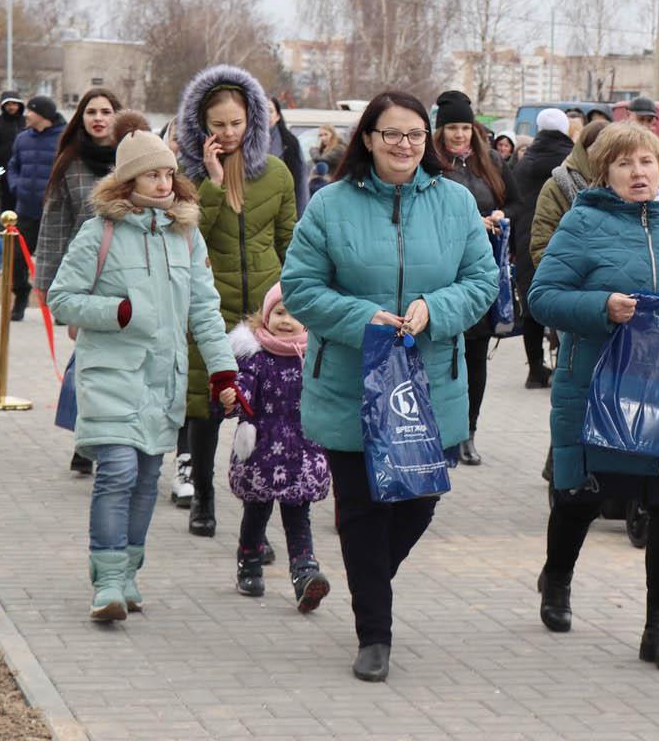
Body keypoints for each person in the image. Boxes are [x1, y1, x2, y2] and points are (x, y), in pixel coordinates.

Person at [281, 90, 496, 683]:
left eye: (415, 135)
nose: (405, 145)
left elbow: (482, 281)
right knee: (360, 511)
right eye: (393, 134)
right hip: (350, 378)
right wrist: (361, 318)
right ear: (369, 139)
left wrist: (436, 307)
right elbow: (300, 287)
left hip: (429, 384)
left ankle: (366, 576)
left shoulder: (455, 202)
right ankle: (373, 632)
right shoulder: (330, 205)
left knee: (419, 502)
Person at [529, 122, 659, 673]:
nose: (638, 172)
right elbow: (543, 298)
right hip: (599, 387)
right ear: (606, 172)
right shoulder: (581, 223)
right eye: (625, 164)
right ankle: (556, 578)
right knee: (582, 497)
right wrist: (602, 306)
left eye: (647, 162)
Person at [46, 120, 240, 621]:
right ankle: (107, 581)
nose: (163, 183)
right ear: (128, 180)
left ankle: (129, 572)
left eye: (168, 173)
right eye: (151, 174)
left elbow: (204, 308)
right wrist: (117, 313)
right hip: (110, 373)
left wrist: (223, 373)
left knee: (148, 477)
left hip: (164, 379)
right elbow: (62, 300)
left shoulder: (186, 236)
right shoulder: (100, 233)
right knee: (118, 471)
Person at [177, 65, 297, 538]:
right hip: (209, 312)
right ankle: (202, 500)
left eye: (236, 123)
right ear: (201, 127)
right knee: (206, 412)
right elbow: (187, 242)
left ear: (253, 121)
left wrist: (291, 304)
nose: (227, 133)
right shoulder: (186, 177)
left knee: (263, 414)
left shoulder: (277, 174)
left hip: (262, 315)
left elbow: (289, 243)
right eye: (217, 125)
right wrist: (209, 181)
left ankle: (256, 519)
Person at [221, 283, 332, 612]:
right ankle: (249, 562)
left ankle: (305, 573)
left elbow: (327, 395)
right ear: (265, 317)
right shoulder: (255, 356)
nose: (286, 320)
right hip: (262, 449)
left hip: (301, 449)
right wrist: (233, 398)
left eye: (294, 313)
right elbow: (243, 388)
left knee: (299, 514)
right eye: (279, 312)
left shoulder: (312, 355)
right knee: (257, 511)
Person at [34, 91, 124, 475]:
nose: (99, 118)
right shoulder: (70, 163)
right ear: (80, 118)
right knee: (86, 359)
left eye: (106, 111)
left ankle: (113, 439)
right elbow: (54, 225)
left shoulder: (134, 159)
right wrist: (47, 280)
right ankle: (85, 440)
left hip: (128, 275)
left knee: (120, 362)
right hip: (83, 277)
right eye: (91, 112)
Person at [435, 90, 520, 466]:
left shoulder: (491, 164)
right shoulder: (431, 165)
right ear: (440, 130)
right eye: (451, 127)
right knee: (441, 359)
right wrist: (472, 224)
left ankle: (468, 433)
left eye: (464, 127)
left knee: (476, 358)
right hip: (442, 276)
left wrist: (502, 217)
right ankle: (438, 431)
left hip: (484, 277)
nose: (459, 135)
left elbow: (517, 202)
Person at [509, 108, 575, 389]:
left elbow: (513, 203)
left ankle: (535, 370)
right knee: (564, 304)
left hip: (526, 241)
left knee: (531, 306)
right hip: (563, 240)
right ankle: (563, 366)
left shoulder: (523, 162)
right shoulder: (571, 161)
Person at [6, 96, 66, 320]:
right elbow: (13, 166)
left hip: (54, 212)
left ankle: (59, 305)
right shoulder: (22, 139)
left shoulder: (64, 137)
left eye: (30, 111)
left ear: (42, 114)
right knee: (17, 258)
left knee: (57, 260)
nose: (26, 115)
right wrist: (15, 185)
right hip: (25, 210)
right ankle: (21, 296)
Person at [528, 119, 609, 269]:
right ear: (583, 151)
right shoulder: (558, 185)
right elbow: (542, 243)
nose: (602, 157)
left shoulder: (624, 187)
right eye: (596, 149)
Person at [0, 92, 26, 213]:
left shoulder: (26, 122)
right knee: (8, 211)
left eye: (14, 104)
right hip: (6, 177)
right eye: (7, 104)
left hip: (25, 175)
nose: (11, 107)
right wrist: (0, 171)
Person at [268, 98, 309, 218]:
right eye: (261, 110)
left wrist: (300, 217)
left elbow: (301, 183)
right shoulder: (244, 143)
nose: (266, 115)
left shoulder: (290, 143)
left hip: (284, 213)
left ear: (277, 116)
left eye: (270, 111)